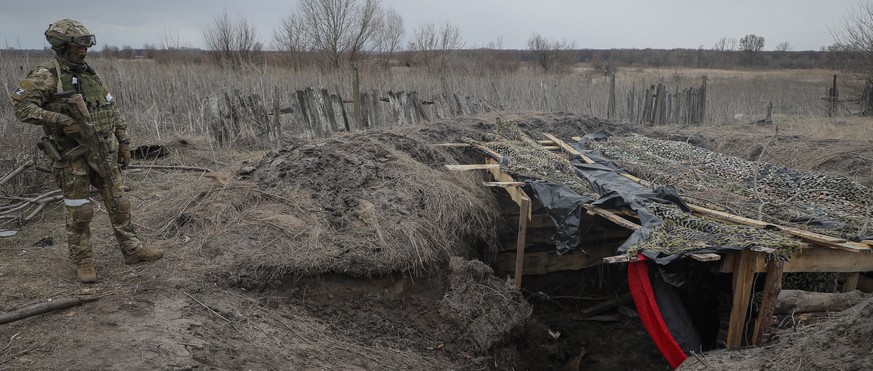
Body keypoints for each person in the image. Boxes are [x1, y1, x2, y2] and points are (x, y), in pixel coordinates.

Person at [10, 19, 162, 283]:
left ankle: (132, 250)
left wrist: (124, 142)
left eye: (86, 44)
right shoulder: (47, 75)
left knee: (120, 204)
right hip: (73, 157)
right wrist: (60, 120)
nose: (84, 50)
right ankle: (83, 262)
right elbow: (22, 108)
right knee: (79, 210)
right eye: (78, 45)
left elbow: (111, 109)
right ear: (62, 46)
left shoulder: (90, 73)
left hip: (104, 152)